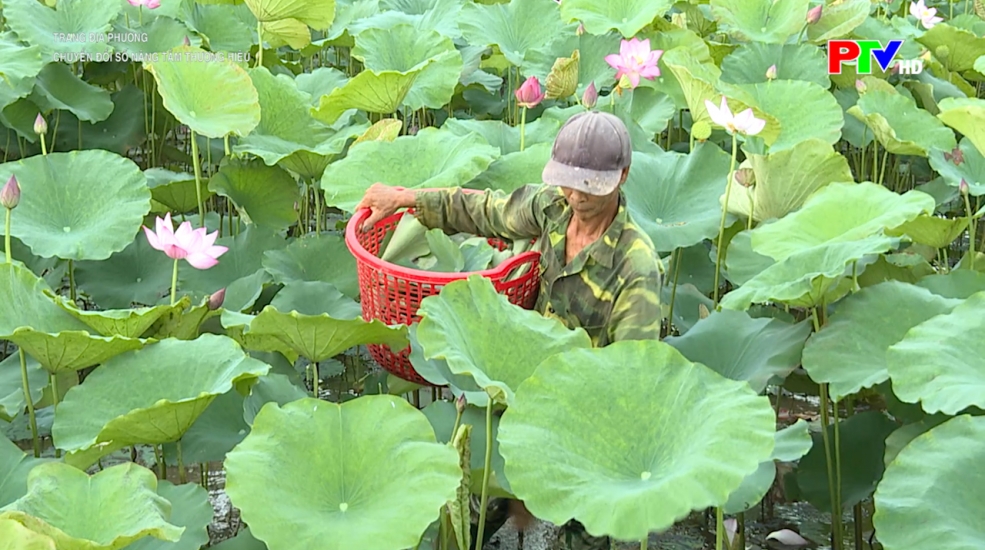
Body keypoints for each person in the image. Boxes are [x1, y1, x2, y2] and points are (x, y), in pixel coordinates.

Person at [355, 110, 663, 350]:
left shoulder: (636, 267)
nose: (577, 197)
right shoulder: (552, 206)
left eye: (591, 187)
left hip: (581, 395)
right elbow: (488, 211)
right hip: (523, 359)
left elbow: (631, 373)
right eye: (569, 183)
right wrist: (405, 198)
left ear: (622, 175)